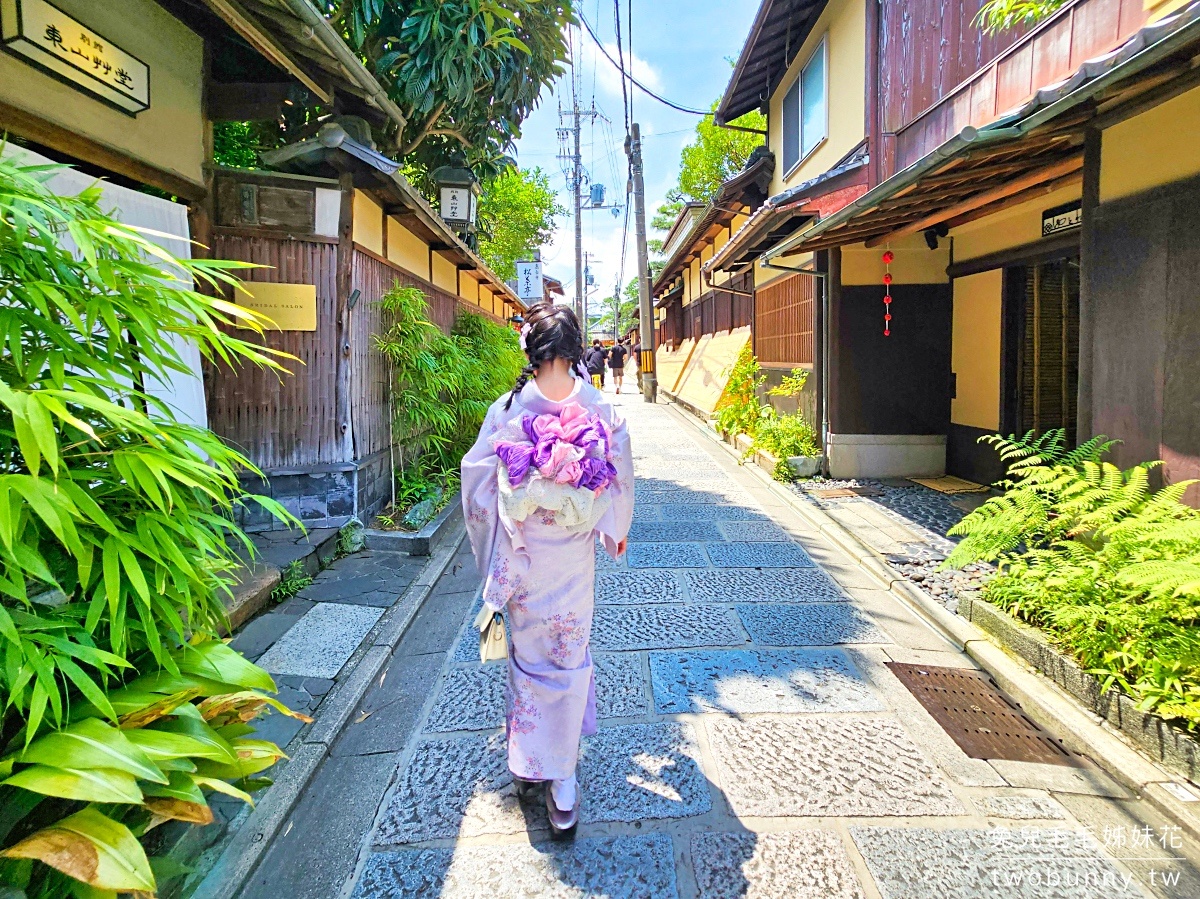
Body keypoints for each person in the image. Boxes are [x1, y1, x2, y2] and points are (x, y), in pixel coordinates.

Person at [461, 303, 634, 839]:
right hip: (573, 558)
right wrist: (612, 528)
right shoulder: (600, 409)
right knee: (568, 653)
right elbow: (620, 478)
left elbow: (477, 485)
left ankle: (529, 763)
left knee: (528, 656)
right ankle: (562, 782)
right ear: (576, 350)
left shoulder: (508, 408)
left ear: (531, 350)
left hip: (524, 559)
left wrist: (495, 536)